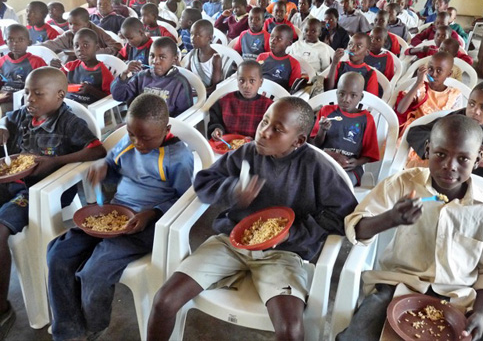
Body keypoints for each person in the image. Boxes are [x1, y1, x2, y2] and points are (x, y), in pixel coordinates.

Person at [147, 96, 358, 340]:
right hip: (231, 242)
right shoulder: (247, 153)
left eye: (277, 129)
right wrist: (232, 190)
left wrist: (295, 233)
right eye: (264, 122)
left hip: (283, 254)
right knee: (164, 300)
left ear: (298, 140)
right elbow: (204, 182)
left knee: (290, 329)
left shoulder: (316, 167)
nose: (264, 132)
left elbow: (343, 215)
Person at [339, 114, 483, 341]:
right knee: (359, 334)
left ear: (476, 162)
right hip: (397, 287)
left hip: (460, 298)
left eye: (463, 159)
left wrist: (481, 314)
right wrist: (390, 219)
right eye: (441, 154)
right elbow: (357, 228)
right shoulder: (403, 183)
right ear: (427, 150)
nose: (449, 166)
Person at [47, 93, 193, 341]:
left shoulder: (178, 157)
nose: (137, 142)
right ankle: (68, 329)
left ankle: (94, 325)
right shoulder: (127, 141)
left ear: (166, 129)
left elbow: (185, 200)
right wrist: (103, 168)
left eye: (146, 138)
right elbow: (112, 165)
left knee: (94, 271)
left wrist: (152, 213)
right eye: (132, 134)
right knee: (58, 253)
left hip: (147, 225)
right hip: (113, 213)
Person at [0, 67, 106, 338]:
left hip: (38, 192)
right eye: (26, 93)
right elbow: (5, 121)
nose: (29, 100)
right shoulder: (22, 115)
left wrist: (55, 162)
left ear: (59, 96)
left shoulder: (67, 122)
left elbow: (97, 148)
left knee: (0, 231)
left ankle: (2, 309)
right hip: (12, 182)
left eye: (37, 94)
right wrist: (1, 129)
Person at [407, 81, 483, 184]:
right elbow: (416, 132)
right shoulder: (457, 120)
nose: (475, 111)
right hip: (449, 178)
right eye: (472, 104)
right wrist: (444, 146)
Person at [311, 72, 379, 187]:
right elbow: (315, 144)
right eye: (342, 94)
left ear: (361, 97)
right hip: (323, 162)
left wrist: (357, 162)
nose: (346, 99)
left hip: (349, 169)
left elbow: (369, 153)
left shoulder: (367, 119)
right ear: (336, 93)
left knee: (340, 184)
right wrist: (322, 130)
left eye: (353, 95)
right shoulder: (326, 111)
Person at [111, 37, 192, 117]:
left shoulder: (180, 84)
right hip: (139, 123)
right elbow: (118, 95)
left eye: (162, 57)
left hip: (165, 126)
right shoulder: (141, 77)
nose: (155, 61)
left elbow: (184, 115)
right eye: (152, 56)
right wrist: (124, 73)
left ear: (174, 59)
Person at [395, 52, 461, 135]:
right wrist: (418, 83)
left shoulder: (454, 95)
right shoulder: (421, 88)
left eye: (439, 70)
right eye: (430, 69)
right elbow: (401, 110)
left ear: (449, 74)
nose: (433, 74)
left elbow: (455, 123)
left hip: (439, 135)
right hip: (416, 132)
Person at [209, 60, 273, 140]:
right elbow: (215, 120)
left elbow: (271, 131)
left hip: (256, 147)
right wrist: (217, 129)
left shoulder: (269, 106)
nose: (246, 85)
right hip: (228, 144)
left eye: (252, 81)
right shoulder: (225, 101)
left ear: (260, 82)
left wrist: (258, 140)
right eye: (241, 81)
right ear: (237, 81)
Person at [52, 29, 114, 105]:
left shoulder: (103, 72)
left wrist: (92, 91)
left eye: (85, 45)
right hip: (69, 105)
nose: (80, 49)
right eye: (76, 46)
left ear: (97, 48)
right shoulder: (70, 66)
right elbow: (54, 80)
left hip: (90, 110)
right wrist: (53, 68)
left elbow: (111, 98)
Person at [0, 25, 46, 115]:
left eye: (20, 40)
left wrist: (15, 96)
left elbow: (43, 86)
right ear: (6, 42)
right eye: (11, 40)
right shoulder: (2, 61)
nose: (15, 44)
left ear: (29, 42)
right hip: (4, 96)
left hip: (25, 100)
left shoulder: (36, 62)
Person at [41, 7, 122, 56]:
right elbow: (53, 44)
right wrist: (34, 48)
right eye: (70, 23)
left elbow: (117, 47)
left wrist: (92, 53)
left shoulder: (98, 32)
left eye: (76, 24)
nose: (72, 27)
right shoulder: (70, 34)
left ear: (86, 24)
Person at [257, 25, 301, 91]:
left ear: (289, 43)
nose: (273, 41)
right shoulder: (262, 57)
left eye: (279, 39)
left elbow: (292, 90)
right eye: (271, 37)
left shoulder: (294, 64)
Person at [185, 20, 222, 95]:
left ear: (209, 38)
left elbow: (215, 87)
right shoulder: (193, 53)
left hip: (205, 95)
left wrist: (197, 93)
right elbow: (186, 74)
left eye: (198, 35)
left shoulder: (215, 58)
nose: (192, 38)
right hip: (192, 90)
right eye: (191, 34)